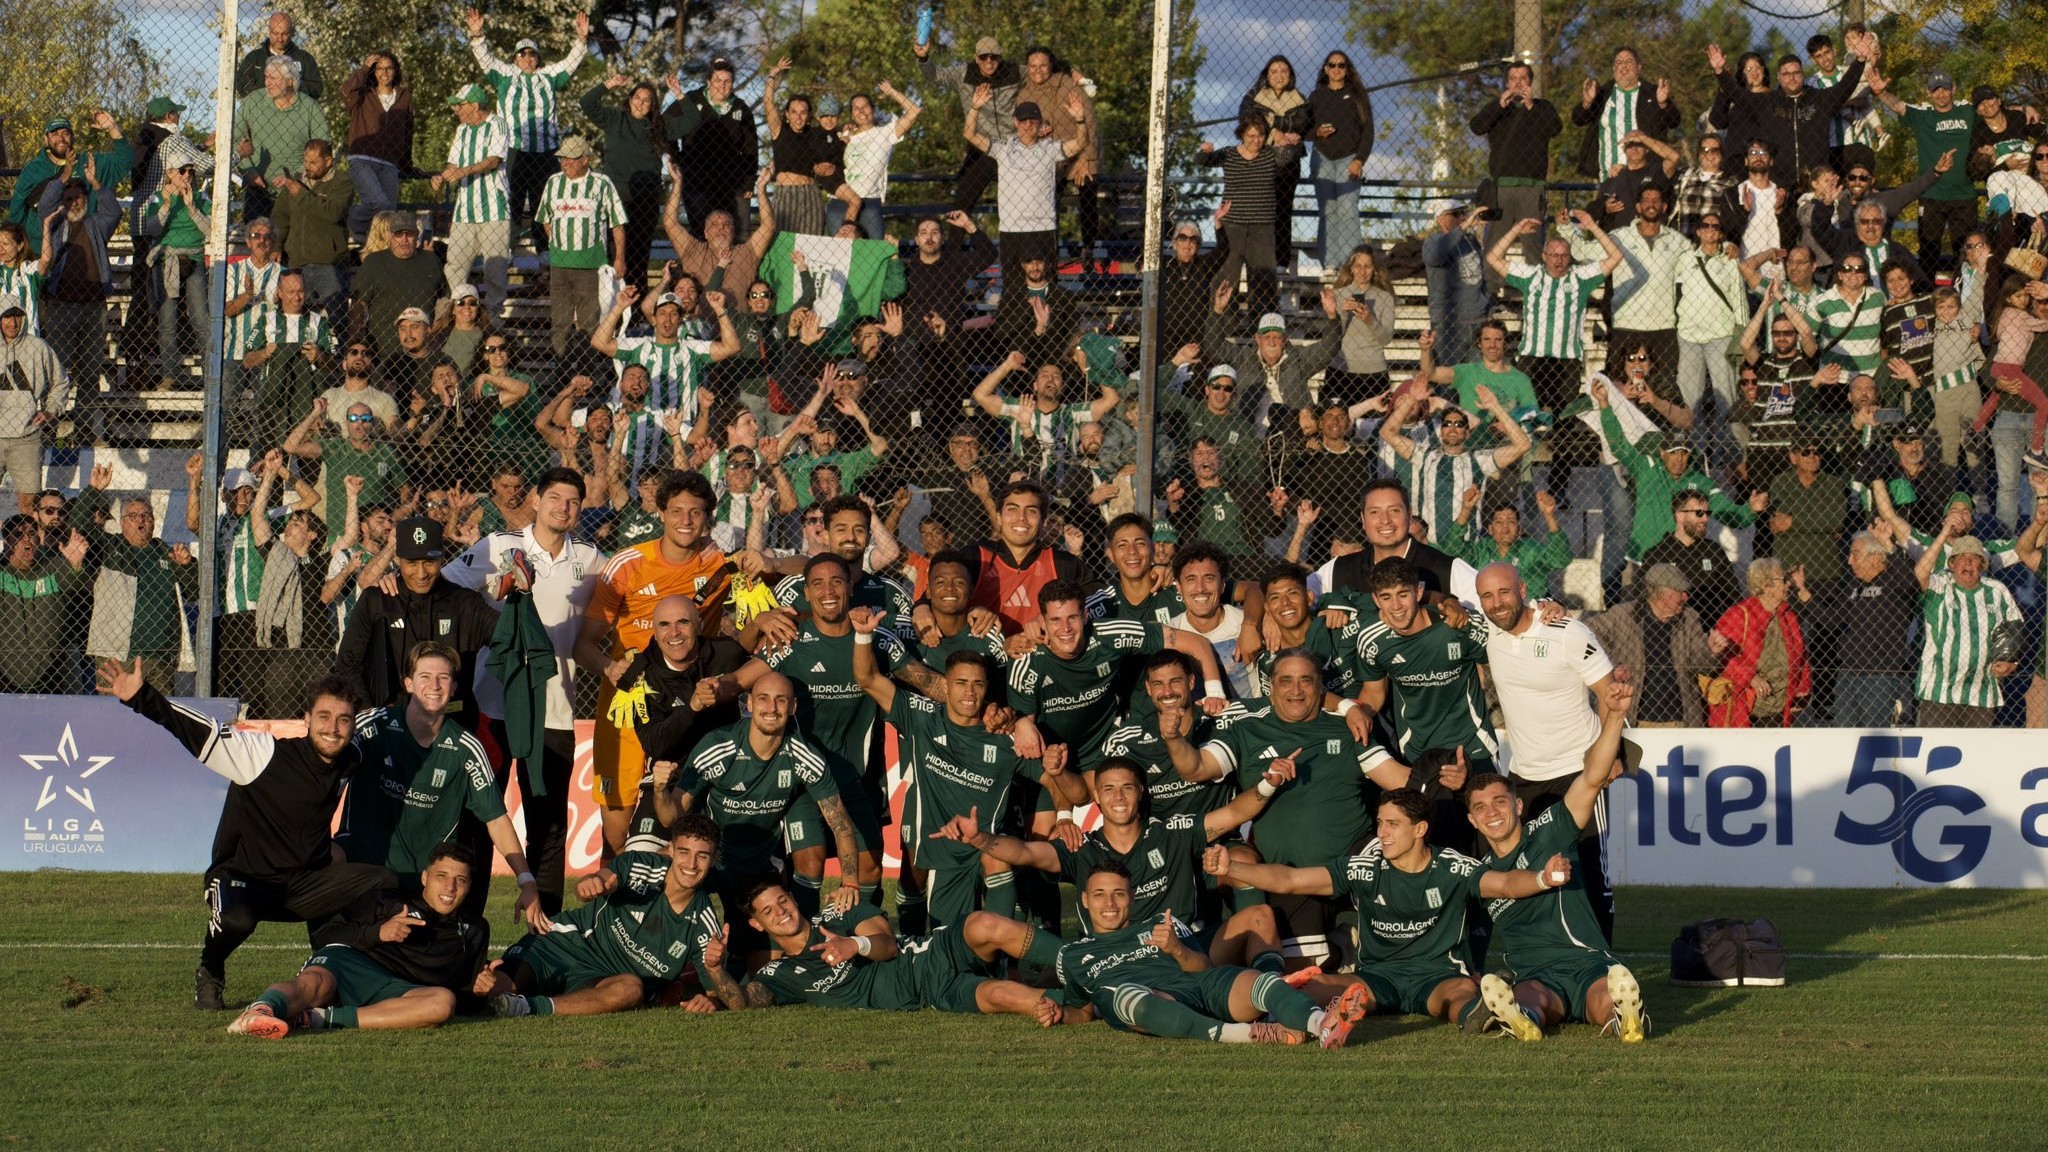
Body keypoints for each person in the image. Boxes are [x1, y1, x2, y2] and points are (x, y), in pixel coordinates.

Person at [97, 660, 394, 1010]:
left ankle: (337, 969)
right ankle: (211, 968)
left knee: (382, 882)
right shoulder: (262, 755)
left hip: (302, 884)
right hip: (243, 880)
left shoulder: (350, 758)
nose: (333, 728)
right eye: (324, 717)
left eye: (344, 720)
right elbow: (199, 731)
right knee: (237, 920)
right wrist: (142, 697)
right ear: (306, 719)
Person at [1205, 787, 1564, 1033]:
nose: (1383, 832)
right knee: (1314, 986)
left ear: (1420, 829)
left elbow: (1503, 884)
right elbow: (1292, 880)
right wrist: (1232, 869)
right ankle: (1299, 1020)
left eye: (1393, 824)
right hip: (1377, 978)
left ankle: (1488, 1014)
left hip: (1437, 975)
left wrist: (1543, 879)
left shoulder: (1452, 867)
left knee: (1459, 998)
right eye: (1380, 822)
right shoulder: (1365, 867)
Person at [1161, 648, 1430, 971]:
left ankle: (1411, 963)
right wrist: (1174, 738)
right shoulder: (1247, 728)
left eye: (1306, 681)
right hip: (1289, 874)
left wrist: (1451, 781)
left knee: (1397, 863)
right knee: (1298, 966)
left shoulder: (1347, 728)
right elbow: (1196, 768)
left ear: (1321, 688)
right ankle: (1342, 945)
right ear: (1270, 687)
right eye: (1285, 681)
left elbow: (1399, 780)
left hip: (1353, 855)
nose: (1296, 690)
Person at [850, 609, 1089, 926]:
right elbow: (868, 678)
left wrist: (1064, 814)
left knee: (996, 858)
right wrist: (864, 635)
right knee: (946, 943)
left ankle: (1003, 954)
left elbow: (1060, 782)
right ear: (945, 686)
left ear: (987, 687)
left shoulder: (1006, 738)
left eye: (978, 684)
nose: (970, 692)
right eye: (961, 683)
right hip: (945, 854)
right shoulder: (922, 717)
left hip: (988, 847)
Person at [438, 467, 604, 915]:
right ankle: (466, 929)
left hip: (553, 711)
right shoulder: (498, 547)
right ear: (534, 499)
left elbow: (624, 596)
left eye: (572, 501)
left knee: (547, 827)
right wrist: (494, 590)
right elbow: (443, 587)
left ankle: (543, 935)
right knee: (476, 820)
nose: (562, 507)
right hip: (490, 708)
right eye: (554, 497)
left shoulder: (590, 560)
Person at [1467, 679, 1648, 1042]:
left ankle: (1625, 1017)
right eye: (1480, 808)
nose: (1492, 813)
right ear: (1472, 820)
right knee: (1534, 999)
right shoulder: (1479, 873)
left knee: (1602, 998)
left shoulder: (1549, 831)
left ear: (1518, 806)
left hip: (1588, 962)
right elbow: (1505, 884)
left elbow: (1593, 777)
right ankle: (1521, 1018)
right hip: (1535, 974)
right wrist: (1542, 879)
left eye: (1500, 802)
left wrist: (1614, 717)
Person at [576, 471, 744, 852]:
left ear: (707, 518)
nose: (686, 521)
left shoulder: (718, 564)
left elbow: (779, 572)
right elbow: (583, 644)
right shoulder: (627, 564)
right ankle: (617, 903)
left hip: (689, 705)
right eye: (677, 511)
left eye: (696, 513)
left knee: (683, 824)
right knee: (618, 831)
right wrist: (608, 667)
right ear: (661, 513)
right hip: (629, 703)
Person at [1039, 862, 1364, 1046]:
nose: (1109, 904)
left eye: (1118, 894)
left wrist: (1176, 948)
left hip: (1197, 988)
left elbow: (1203, 967)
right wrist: (1060, 1014)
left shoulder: (1159, 923)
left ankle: (1323, 1023)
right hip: (1149, 1002)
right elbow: (1084, 1010)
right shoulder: (1071, 956)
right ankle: (1252, 1034)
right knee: (1122, 995)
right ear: (1083, 899)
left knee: (1259, 983)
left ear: (1132, 898)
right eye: (1099, 895)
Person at [339, 641, 547, 927]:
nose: (434, 685)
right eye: (425, 676)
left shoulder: (466, 748)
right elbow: (328, 781)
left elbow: (496, 819)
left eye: (443, 678)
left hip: (426, 886)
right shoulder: (371, 727)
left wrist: (526, 880)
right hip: (364, 874)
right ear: (408, 683)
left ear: (454, 688)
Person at [640, 671, 864, 927]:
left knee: (759, 954)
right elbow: (671, 818)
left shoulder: (805, 756)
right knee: (655, 874)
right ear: (749, 703)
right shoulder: (718, 747)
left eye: (781, 700)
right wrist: (659, 790)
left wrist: (849, 882)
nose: (771, 708)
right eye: (763, 699)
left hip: (759, 868)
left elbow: (841, 825)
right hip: (711, 859)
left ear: (793, 707)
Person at [1472, 562, 1620, 940]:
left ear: (1522, 590)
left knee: (1589, 872)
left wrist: (1611, 753)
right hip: (1524, 777)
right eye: (1487, 596)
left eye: (1504, 592)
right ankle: (1542, 964)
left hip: (1578, 771)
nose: (1496, 603)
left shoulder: (1566, 630)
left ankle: (1605, 976)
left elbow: (1608, 693)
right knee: (1529, 874)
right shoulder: (1488, 628)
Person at [227, 843, 492, 1037]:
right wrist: (378, 933)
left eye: (460, 880)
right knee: (315, 983)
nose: (450, 888)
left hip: (399, 991)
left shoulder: (475, 930)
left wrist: (480, 992)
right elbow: (325, 936)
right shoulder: (390, 900)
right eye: (441, 876)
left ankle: (316, 1019)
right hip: (353, 962)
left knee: (442, 1004)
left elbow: (463, 1000)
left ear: (469, 886)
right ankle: (260, 1011)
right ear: (425, 878)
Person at [487, 815, 729, 1017]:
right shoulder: (641, 867)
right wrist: (590, 884)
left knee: (631, 990)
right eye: (685, 852)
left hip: (601, 980)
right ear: (672, 850)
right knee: (493, 989)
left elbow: (716, 993)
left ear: (714, 859)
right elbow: (601, 880)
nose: (691, 864)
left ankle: (528, 1007)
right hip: (563, 945)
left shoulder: (704, 922)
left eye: (702, 856)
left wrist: (713, 1002)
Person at [729, 880, 1062, 1018]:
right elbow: (742, 1000)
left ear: (791, 898)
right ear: (758, 924)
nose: (781, 911)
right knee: (1006, 995)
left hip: (931, 953)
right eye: (768, 911)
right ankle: (1092, 1001)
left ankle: (1084, 961)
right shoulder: (780, 974)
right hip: (932, 990)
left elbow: (887, 946)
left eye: (782, 900)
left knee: (984, 923)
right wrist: (714, 974)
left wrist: (854, 945)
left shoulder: (837, 913)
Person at [465, 7, 590, 252]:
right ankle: (504, 253)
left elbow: (570, 63)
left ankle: (546, 257)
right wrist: (477, 36)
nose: (527, 58)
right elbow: (486, 59)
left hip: (545, 152)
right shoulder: (505, 75)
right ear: (515, 58)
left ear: (538, 58)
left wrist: (581, 40)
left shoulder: (549, 76)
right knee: (509, 202)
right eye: (521, 54)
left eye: (532, 54)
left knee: (543, 204)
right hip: (513, 150)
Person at [1489, 212, 1623, 413]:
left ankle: (1559, 442)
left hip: (1567, 358)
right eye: (1553, 255)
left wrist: (1593, 227)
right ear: (1544, 257)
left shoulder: (1580, 277)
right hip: (1532, 356)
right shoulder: (1532, 275)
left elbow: (1616, 256)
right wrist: (1516, 229)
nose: (1558, 260)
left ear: (1570, 257)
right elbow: (1493, 257)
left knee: (1564, 418)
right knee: (1526, 413)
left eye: (1564, 255)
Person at [1705, 34, 1873, 190]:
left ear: (1802, 74)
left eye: (1796, 73)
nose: (1791, 77)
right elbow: (1737, 94)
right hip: (1779, 185)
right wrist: (1720, 73)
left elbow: (1845, 87)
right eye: (1786, 74)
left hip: (1816, 181)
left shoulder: (1820, 99)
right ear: (1779, 77)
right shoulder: (1767, 102)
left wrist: (1860, 60)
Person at [1378, 381, 1531, 549]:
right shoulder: (1424, 455)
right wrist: (1411, 399)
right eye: (1447, 424)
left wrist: (1496, 408)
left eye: (1459, 425)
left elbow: (1523, 445)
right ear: (1441, 431)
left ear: (1466, 433)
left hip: (1468, 545)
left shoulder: (1479, 460)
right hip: (1431, 545)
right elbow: (1387, 432)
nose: (1452, 428)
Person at [1867, 63, 1987, 273]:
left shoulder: (1968, 110)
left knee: (1966, 252)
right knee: (1929, 252)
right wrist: (1881, 92)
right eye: (1935, 89)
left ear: (1953, 89)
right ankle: (1930, 296)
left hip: (1964, 194)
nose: (1941, 93)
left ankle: (1965, 293)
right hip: (1931, 194)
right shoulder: (1923, 115)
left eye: (1945, 88)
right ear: (1928, 92)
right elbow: (1898, 106)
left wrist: (2025, 108)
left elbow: (1993, 111)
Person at [1804, 526, 1920, 726]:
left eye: (1855, 554)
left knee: (1874, 734)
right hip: (1848, 673)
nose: (1849, 561)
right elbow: (1832, 619)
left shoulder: (1895, 581)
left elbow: (1910, 580)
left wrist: (1888, 545)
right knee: (1844, 732)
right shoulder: (1854, 585)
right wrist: (1803, 593)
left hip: (1880, 675)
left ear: (1875, 557)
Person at [969, 89, 1091, 276]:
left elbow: (1081, 143)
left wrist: (1080, 120)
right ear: (1015, 122)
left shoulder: (1050, 148)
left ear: (1040, 123)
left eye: (1033, 120)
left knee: (1046, 285)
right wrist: (975, 107)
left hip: (1044, 227)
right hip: (1011, 228)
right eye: (1023, 120)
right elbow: (970, 134)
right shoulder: (1003, 148)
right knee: (1012, 287)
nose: (1028, 124)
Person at [1584, 562, 1720, 727]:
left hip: (1680, 720)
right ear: (1660, 594)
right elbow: (1586, 632)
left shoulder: (1689, 618)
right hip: (1634, 719)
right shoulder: (1623, 615)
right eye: (1679, 592)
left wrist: (1711, 652)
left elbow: (1701, 664)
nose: (1685, 597)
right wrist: (1610, 666)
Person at [1912, 527, 2020, 727]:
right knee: (1936, 748)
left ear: (1982, 565)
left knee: (1977, 754)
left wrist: (2009, 661)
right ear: (1951, 564)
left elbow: (2014, 628)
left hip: (1981, 691)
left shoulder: (1997, 591)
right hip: (1940, 690)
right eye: (1961, 558)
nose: (1968, 563)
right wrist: (1943, 535)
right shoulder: (1941, 584)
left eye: (1974, 558)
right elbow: (1919, 575)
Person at [534, 135, 628, 354]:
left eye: (571, 159)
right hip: (559, 265)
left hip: (591, 266)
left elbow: (618, 224)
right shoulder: (553, 182)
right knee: (560, 322)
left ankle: (588, 369)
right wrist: (557, 244)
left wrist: (620, 257)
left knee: (589, 324)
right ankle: (562, 368)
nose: (564, 163)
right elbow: (545, 218)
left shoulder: (602, 183)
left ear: (585, 159)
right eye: (562, 159)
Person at [1196, 119, 1292, 323]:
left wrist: (1287, 141)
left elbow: (1287, 157)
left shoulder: (1269, 154)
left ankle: (1262, 322)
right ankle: (1223, 320)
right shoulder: (1230, 153)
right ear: (1242, 135)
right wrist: (1204, 150)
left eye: (1260, 136)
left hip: (1262, 225)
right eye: (1251, 136)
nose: (1256, 140)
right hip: (1233, 224)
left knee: (1263, 277)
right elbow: (1203, 161)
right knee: (1227, 274)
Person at [916, 32, 1023, 215]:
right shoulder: (963, 74)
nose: (989, 61)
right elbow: (935, 75)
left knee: (1020, 203)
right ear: (976, 58)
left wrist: (1072, 73)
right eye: (984, 57)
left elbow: (1043, 69)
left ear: (1000, 57)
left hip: (1012, 146)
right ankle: (956, 241)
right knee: (961, 203)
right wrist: (923, 57)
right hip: (979, 146)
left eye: (994, 57)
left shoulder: (1014, 71)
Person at [1470, 62, 1561, 271]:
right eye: (1513, 78)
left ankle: (1534, 293)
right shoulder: (1499, 107)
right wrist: (1499, 105)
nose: (1518, 82)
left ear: (1530, 82)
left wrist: (1530, 106)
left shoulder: (1543, 107)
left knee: (1533, 244)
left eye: (1523, 78)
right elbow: (1476, 126)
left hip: (1532, 186)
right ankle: (1491, 295)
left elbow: (1554, 128)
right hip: (1501, 188)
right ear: (1507, 82)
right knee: (1495, 245)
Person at [432, 82, 512, 315]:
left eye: (460, 105)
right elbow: (453, 162)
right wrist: (443, 175)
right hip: (465, 210)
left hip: (494, 209)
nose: (456, 109)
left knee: (495, 270)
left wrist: (463, 172)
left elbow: (494, 159)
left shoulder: (498, 124)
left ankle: (494, 318)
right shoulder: (462, 130)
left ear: (475, 105)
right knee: (454, 266)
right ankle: (455, 314)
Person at [581, 74, 669, 284]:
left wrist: (680, 94)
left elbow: (689, 121)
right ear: (630, 100)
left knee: (639, 258)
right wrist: (609, 83)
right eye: (637, 97)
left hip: (645, 199)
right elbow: (586, 102)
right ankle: (612, 309)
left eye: (647, 100)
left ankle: (637, 310)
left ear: (652, 106)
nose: (641, 103)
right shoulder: (615, 119)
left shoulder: (657, 128)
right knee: (613, 255)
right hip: (617, 197)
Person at [1705, 558, 1811, 728]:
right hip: (1745, 710)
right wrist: (1750, 678)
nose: (1788, 585)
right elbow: (1722, 658)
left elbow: (1801, 655)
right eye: (1783, 580)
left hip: (1779, 710)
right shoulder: (1739, 615)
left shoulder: (1787, 616)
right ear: (1765, 586)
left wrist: (1802, 689)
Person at [665, 57, 759, 236]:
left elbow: (750, 148)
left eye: (728, 81)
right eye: (717, 80)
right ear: (708, 81)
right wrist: (676, 155)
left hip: (731, 182)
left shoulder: (741, 108)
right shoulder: (691, 99)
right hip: (697, 180)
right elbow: (666, 126)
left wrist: (749, 182)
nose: (722, 85)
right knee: (702, 233)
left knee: (736, 234)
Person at [233, 55, 330, 222]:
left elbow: (323, 147)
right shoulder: (253, 101)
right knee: (257, 235)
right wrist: (248, 170)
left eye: (273, 78)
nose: (267, 83)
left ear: (289, 81)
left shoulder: (309, 107)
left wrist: (299, 178)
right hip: (259, 188)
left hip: (298, 187)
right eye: (266, 77)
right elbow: (234, 138)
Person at [0, 514, 88, 692]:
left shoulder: (51, 567)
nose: (26, 538)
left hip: (50, 673)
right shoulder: (2, 573)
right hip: (4, 674)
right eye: (18, 534)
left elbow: (72, 580)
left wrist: (75, 564)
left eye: (32, 533)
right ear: (7, 542)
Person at [271, 141, 355, 325]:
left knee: (335, 321)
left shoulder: (342, 182)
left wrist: (301, 194)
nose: (308, 167)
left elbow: (333, 213)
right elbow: (280, 218)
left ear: (328, 161)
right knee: (295, 320)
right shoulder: (296, 182)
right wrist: (276, 246)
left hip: (330, 265)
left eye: (313, 162)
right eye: (305, 161)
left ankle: (335, 353)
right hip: (297, 264)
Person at [1240, 56, 1311, 271]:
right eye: (1274, 71)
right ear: (1267, 75)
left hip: (1288, 161)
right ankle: (1255, 258)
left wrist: (1272, 122)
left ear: (1290, 75)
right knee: (1257, 208)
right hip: (1261, 156)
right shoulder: (1254, 95)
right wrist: (1277, 131)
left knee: (1282, 210)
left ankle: (1280, 262)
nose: (1279, 76)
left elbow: (1303, 122)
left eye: (1284, 71)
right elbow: (1246, 117)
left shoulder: (1299, 98)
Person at [1304, 50, 1374, 269]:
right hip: (1322, 158)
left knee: (1347, 210)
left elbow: (1368, 130)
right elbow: (1303, 130)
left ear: (1347, 69)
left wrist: (1360, 160)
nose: (1336, 69)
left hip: (1349, 158)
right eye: (1332, 65)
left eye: (1341, 65)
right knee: (1328, 211)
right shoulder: (1316, 96)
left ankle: (1351, 266)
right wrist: (1317, 133)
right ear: (1325, 69)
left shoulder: (1357, 95)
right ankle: (1330, 265)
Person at [1572, 47, 1678, 181]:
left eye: (1629, 62)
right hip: (1609, 176)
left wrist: (1663, 104)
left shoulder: (1652, 93)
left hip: (1646, 176)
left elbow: (1674, 121)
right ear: (1613, 69)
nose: (1624, 66)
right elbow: (1578, 120)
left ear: (1639, 67)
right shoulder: (1603, 94)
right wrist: (1587, 103)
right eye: (1619, 62)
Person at [348, 214, 446, 358]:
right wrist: (355, 340)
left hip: (424, 351)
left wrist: (437, 337)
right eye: (398, 234)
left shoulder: (431, 261)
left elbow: (444, 302)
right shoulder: (374, 262)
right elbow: (357, 305)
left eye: (409, 234)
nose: (404, 239)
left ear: (417, 236)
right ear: (390, 236)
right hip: (383, 351)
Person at [0, 296, 65, 507]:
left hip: (26, 438)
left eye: (17, 316)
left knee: (29, 503)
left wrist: (50, 411)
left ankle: (29, 541)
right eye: (7, 316)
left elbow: (60, 381)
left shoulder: (38, 347)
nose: (13, 322)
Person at [342, 52, 414, 242]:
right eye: (379, 68)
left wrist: (406, 164)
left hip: (390, 163)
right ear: (373, 72)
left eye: (388, 68)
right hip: (362, 159)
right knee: (379, 203)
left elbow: (407, 131)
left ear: (395, 70)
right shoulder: (363, 95)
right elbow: (345, 91)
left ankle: (366, 240)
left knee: (389, 213)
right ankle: (349, 219)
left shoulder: (404, 96)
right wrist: (364, 69)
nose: (384, 72)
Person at [1422, 204, 1489, 368]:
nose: (1462, 217)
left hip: (1477, 321)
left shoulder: (1470, 241)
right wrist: (1464, 226)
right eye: (1456, 214)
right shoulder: (1433, 241)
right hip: (1449, 326)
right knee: (1448, 385)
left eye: (1464, 213)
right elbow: (1435, 257)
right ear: (1440, 219)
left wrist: (1488, 311)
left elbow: (1482, 279)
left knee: (1478, 382)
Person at [235, 12, 324, 100]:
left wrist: (290, 91)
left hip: (294, 111)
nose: (280, 39)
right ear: (269, 31)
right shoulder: (254, 58)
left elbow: (316, 88)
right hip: (260, 111)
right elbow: (241, 82)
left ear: (291, 33)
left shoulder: (304, 58)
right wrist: (263, 98)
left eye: (284, 34)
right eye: (276, 33)